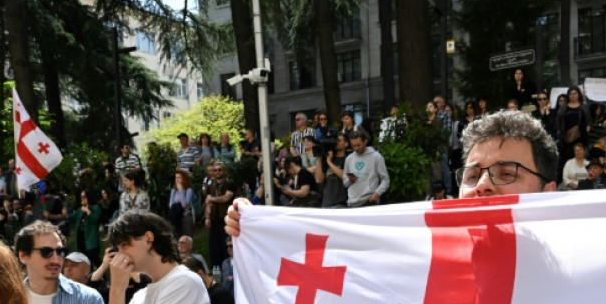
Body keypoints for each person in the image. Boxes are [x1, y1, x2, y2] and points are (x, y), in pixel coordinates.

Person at [226, 109, 560, 237]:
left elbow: (383, 180)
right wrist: (256, 226)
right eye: (472, 176)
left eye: (506, 174)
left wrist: (377, 192)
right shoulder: (425, 259)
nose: (482, 186)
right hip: (354, 207)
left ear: (549, 193)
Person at [343, 130, 390, 207]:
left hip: (369, 201)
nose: (356, 148)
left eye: (358, 145)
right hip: (352, 202)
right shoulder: (349, 158)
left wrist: (377, 193)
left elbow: (386, 180)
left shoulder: (376, 157)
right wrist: (350, 180)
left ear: (365, 142)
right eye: (354, 146)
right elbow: (345, 183)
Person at [204, 162, 236, 270]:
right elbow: (208, 203)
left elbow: (226, 198)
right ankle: (216, 273)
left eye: (219, 170)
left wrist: (212, 199)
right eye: (215, 170)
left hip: (227, 219)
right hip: (214, 219)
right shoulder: (210, 186)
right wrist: (207, 217)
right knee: (214, 248)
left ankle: (229, 271)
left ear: (224, 171)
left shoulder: (230, 183)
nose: (217, 172)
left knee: (226, 246)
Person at [314, 132, 349, 208]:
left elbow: (345, 176)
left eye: (339, 140)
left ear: (346, 144)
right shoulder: (327, 159)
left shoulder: (348, 159)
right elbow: (319, 180)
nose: (336, 142)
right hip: (326, 202)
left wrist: (329, 162)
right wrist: (319, 160)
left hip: (341, 203)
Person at [168, 170, 197, 238]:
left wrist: (181, 190)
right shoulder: (173, 191)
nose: (177, 179)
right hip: (177, 217)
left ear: (184, 179)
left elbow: (185, 205)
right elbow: (171, 205)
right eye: (176, 177)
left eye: (179, 177)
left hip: (186, 217)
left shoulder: (188, 190)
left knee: (187, 237)